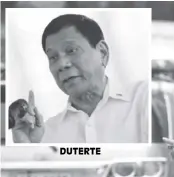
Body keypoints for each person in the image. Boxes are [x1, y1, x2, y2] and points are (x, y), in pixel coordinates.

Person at [10, 14, 148, 144]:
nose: (62, 65)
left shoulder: (144, 99)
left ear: (102, 52)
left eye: (71, 50)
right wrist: (27, 148)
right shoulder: (46, 135)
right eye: (53, 57)